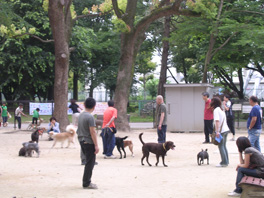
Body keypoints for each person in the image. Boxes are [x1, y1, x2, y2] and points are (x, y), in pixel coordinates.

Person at [77, 97, 99, 189]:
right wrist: (96, 145)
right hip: (88, 141)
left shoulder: (81, 115)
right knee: (90, 163)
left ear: (84, 105)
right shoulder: (90, 117)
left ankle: (86, 181)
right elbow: (92, 132)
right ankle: (86, 182)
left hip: (81, 140)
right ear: (94, 106)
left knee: (88, 161)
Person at [210, 97, 229, 167]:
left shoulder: (216, 110)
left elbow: (217, 121)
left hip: (221, 131)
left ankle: (224, 162)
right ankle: (226, 161)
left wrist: (217, 132)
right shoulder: (221, 109)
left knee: (221, 146)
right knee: (224, 146)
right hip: (226, 129)